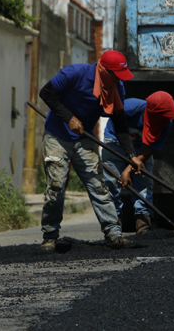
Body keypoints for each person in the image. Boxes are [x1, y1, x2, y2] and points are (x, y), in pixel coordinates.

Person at [37, 50, 144, 252]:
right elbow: (46, 93)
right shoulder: (74, 74)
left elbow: (120, 122)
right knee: (56, 186)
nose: (119, 80)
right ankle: (50, 236)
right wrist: (69, 118)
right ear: (103, 70)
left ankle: (114, 234)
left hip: (84, 138)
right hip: (57, 137)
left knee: (99, 187)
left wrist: (131, 156)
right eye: (116, 75)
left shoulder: (116, 88)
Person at [103, 91, 174, 234]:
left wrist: (128, 169)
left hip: (141, 147)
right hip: (115, 140)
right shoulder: (130, 108)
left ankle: (143, 225)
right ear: (152, 113)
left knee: (144, 182)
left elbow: (152, 147)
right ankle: (113, 226)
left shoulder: (166, 121)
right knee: (111, 183)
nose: (166, 120)